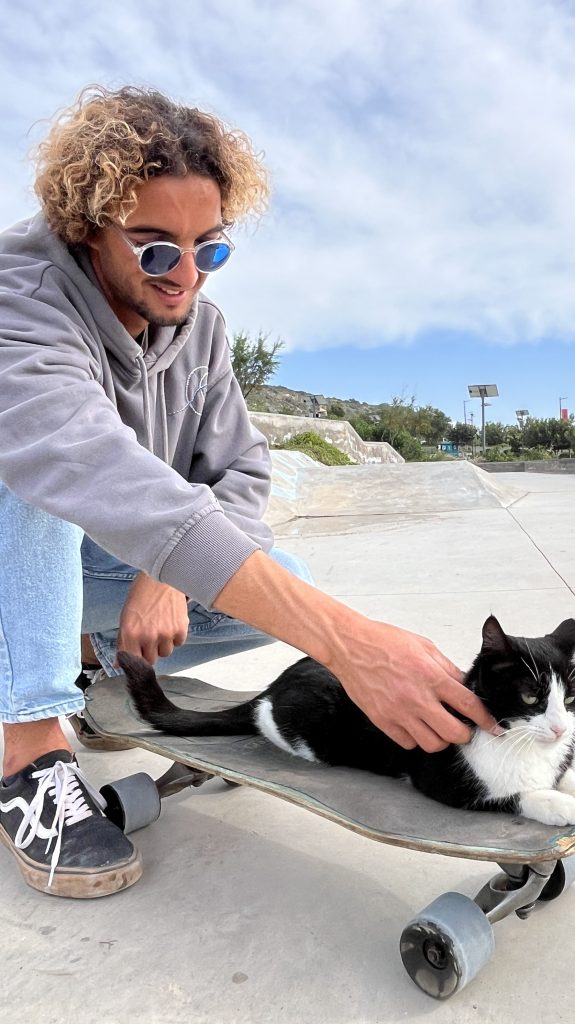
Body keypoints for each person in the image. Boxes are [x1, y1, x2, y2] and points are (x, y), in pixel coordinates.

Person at [0, 85, 500, 900]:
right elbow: (84, 462)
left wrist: (163, 571)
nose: (184, 276)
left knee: (281, 582)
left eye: (209, 249)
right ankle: (29, 753)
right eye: (155, 250)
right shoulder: (17, 299)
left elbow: (239, 471)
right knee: (28, 482)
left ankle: (81, 663)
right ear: (87, 225)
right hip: (17, 541)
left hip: (88, 567)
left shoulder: (201, 329)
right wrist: (348, 645)